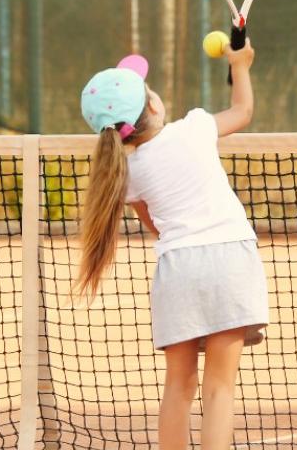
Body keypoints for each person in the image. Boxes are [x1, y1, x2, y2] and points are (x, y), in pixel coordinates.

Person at [72, 41, 268, 450]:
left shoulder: (125, 173)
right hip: (230, 259)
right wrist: (241, 65)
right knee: (220, 390)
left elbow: (156, 227)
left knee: (178, 388)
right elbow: (243, 111)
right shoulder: (194, 127)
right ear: (154, 106)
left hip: (177, 270)